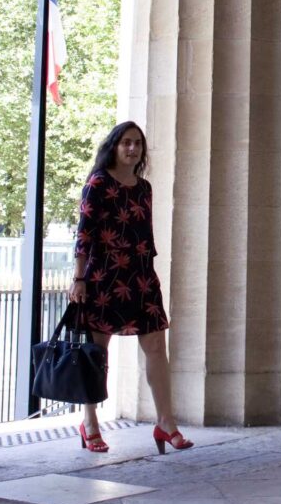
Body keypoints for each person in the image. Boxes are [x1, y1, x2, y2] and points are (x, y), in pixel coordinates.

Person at [68, 121, 193, 454]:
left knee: (155, 348)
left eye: (137, 143)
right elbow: (84, 233)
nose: (132, 148)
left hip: (140, 276)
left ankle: (166, 423)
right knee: (98, 351)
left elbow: (144, 234)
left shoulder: (144, 187)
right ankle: (90, 422)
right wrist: (79, 278)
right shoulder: (98, 183)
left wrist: (150, 273)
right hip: (103, 277)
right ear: (114, 146)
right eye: (126, 142)